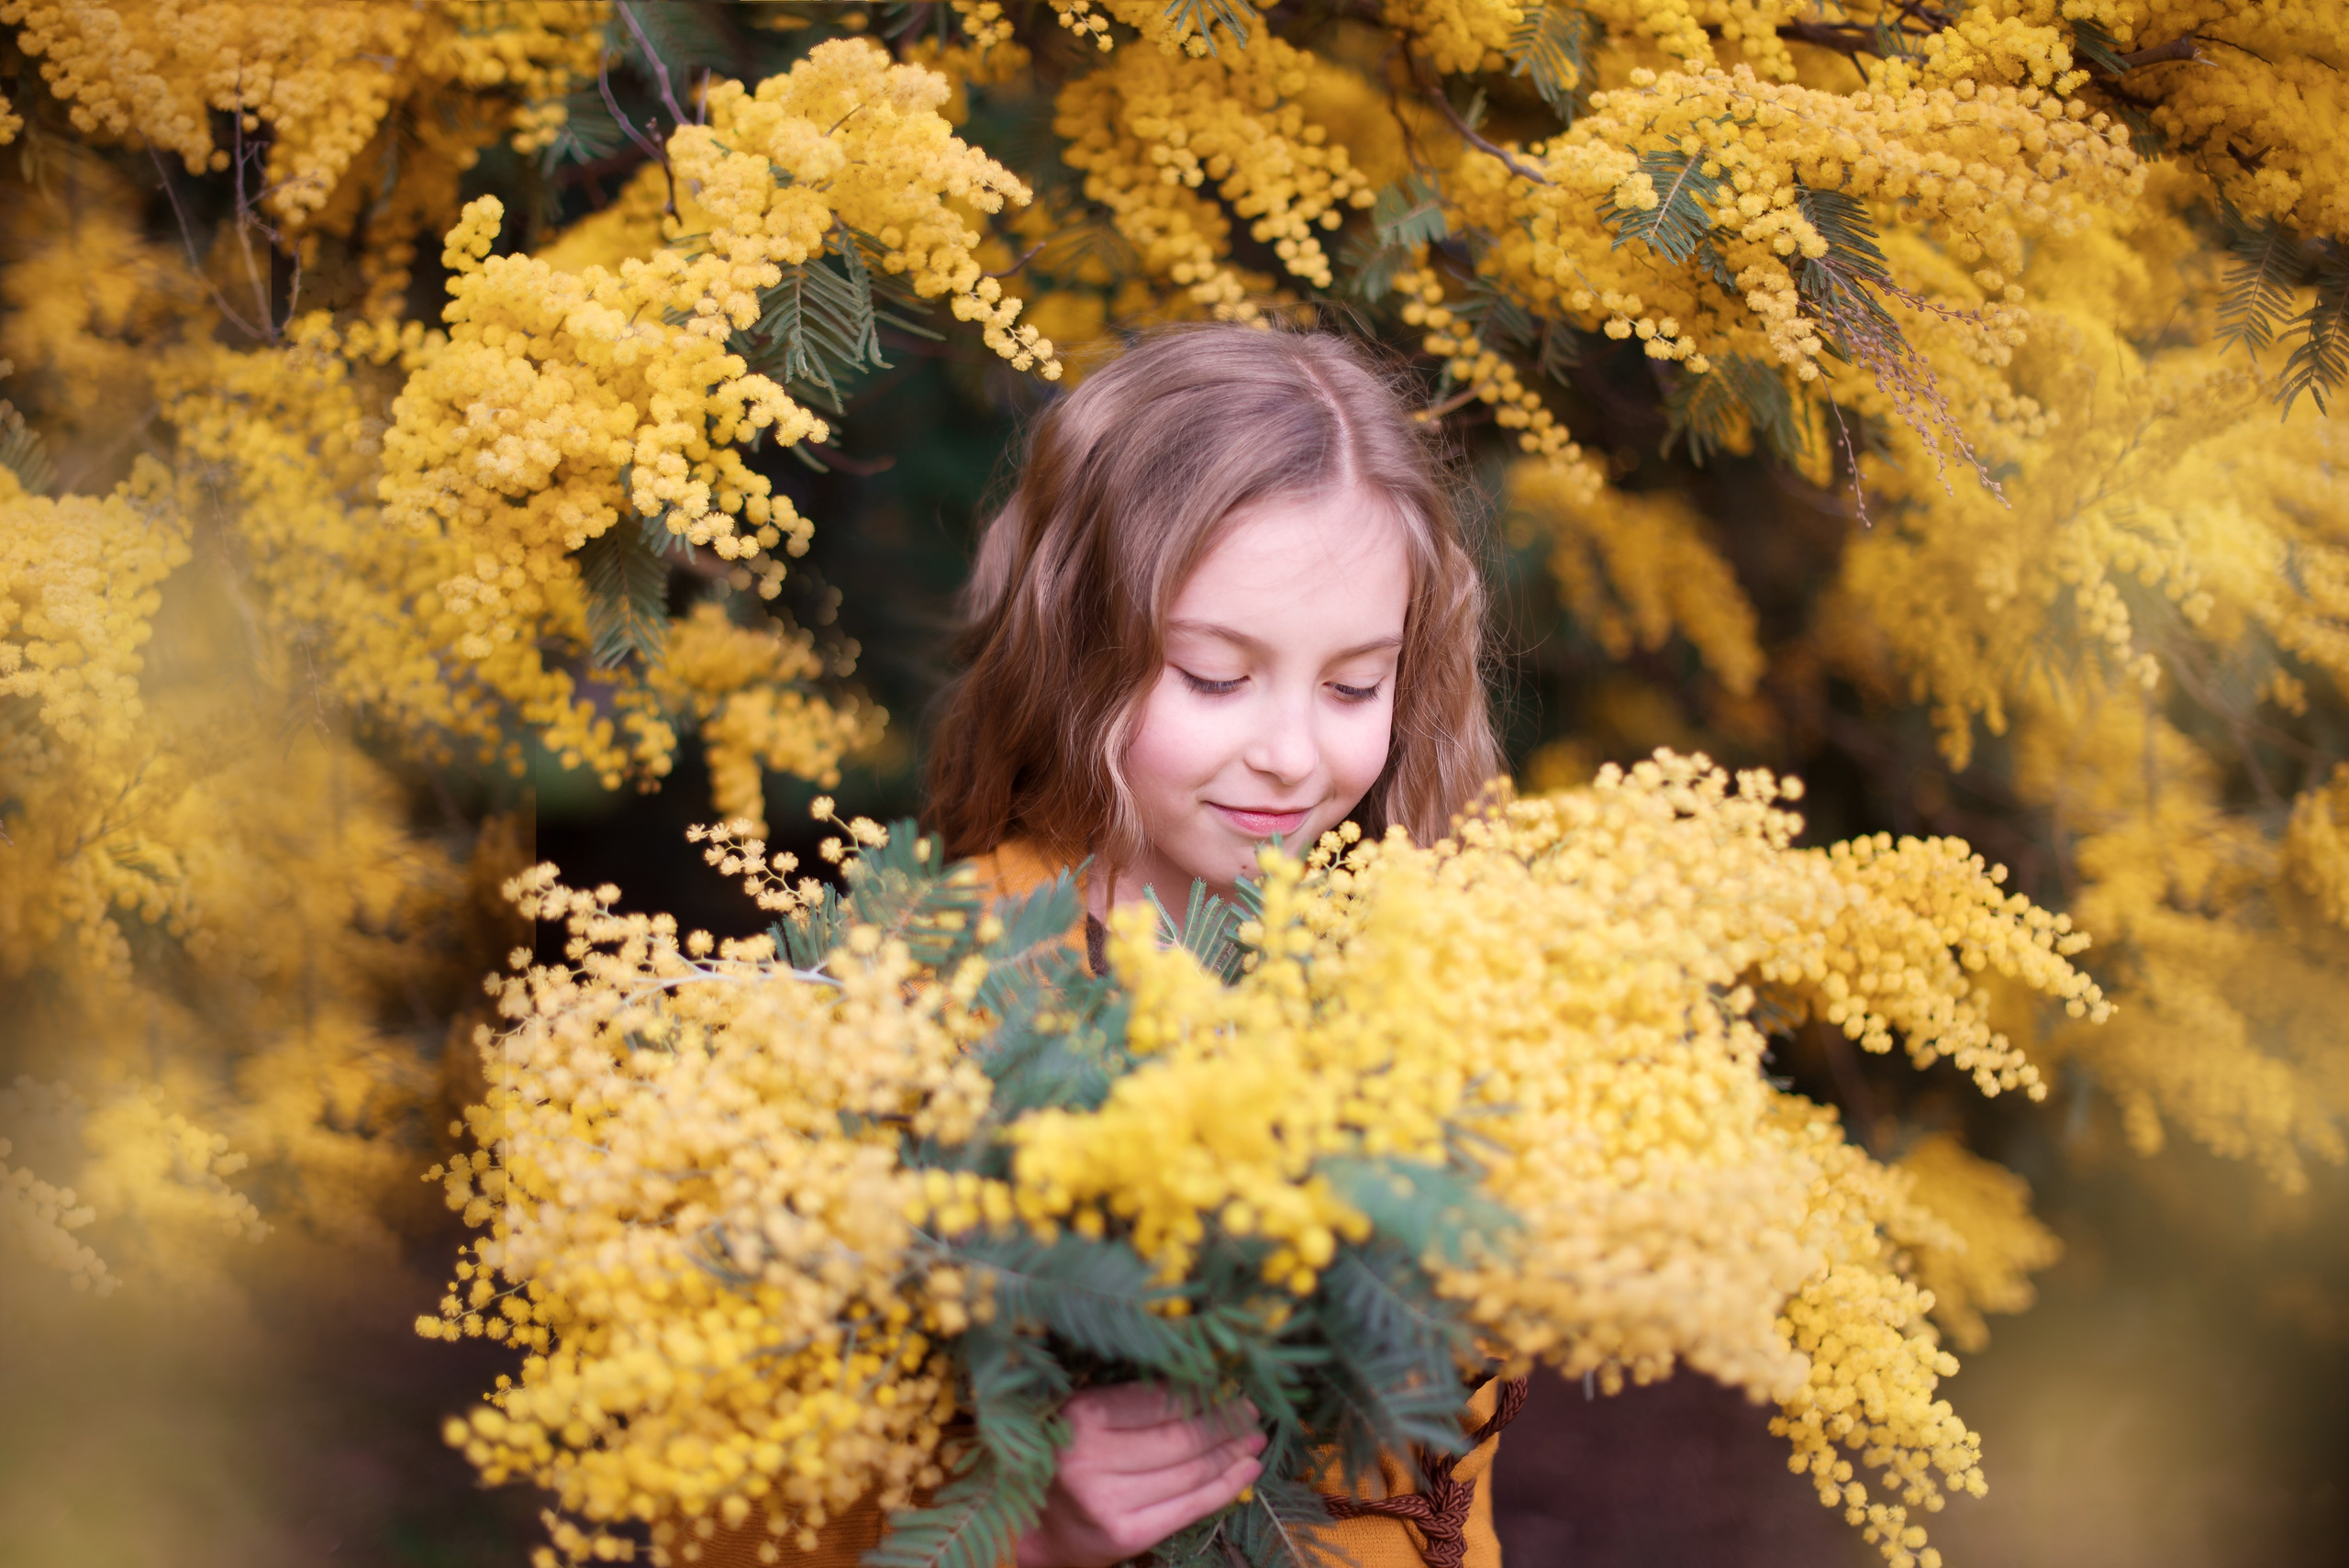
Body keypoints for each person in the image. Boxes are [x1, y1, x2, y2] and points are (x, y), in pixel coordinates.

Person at [698, 325, 1511, 1568]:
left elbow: (1445, 1492)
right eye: (1213, 675)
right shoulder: (912, 994)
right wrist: (1018, 1525)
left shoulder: (1437, 980)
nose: (1295, 753)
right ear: (1075, 646)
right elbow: (728, 1503)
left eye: (1355, 686)